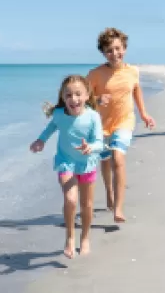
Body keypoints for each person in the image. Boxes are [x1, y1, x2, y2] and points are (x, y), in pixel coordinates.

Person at [30, 75, 104, 259]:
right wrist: (41, 140)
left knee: (86, 205)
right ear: (63, 97)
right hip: (66, 162)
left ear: (87, 95)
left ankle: (85, 238)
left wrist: (90, 147)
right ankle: (70, 237)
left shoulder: (93, 117)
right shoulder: (59, 114)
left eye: (78, 94)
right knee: (70, 200)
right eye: (68, 95)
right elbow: (51, 128)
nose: (73, 99)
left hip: (87, 164)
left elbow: (99, 142)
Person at [87, 27, 155, 223]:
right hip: (101, 126)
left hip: (124, 121)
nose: (114, 53)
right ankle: (109, 190)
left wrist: (144, 113)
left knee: (118, 158)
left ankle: (118, 208)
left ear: (124, 48)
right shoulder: (95, 74)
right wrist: (97, 99)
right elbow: (83, 99)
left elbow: (136, 91)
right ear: (103, 52)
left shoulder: (132, 71)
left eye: (118, 48)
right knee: (105, 160)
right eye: (109, 50)